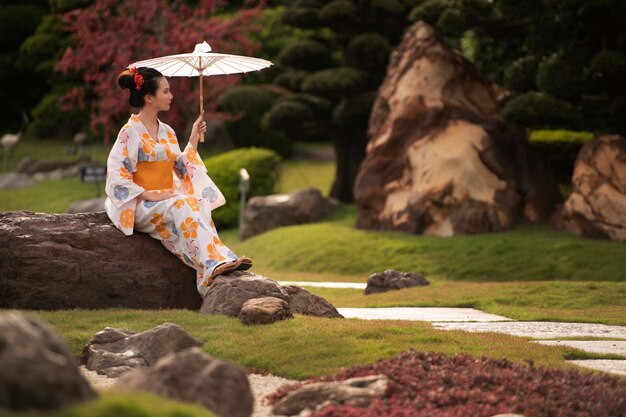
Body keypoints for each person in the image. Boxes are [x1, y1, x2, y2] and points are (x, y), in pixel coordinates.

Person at [105, 66, 252, 297]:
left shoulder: (168, 132)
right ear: (148, 97)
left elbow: (180, 168)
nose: (171, 96)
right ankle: (217, 261)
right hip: (140, 204)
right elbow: (116, 175)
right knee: (182, 204)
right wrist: (149, 194)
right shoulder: (128, 133)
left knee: (197, 203)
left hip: (164, 200)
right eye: (166, 91)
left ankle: (209, 274)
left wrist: (193, 138)